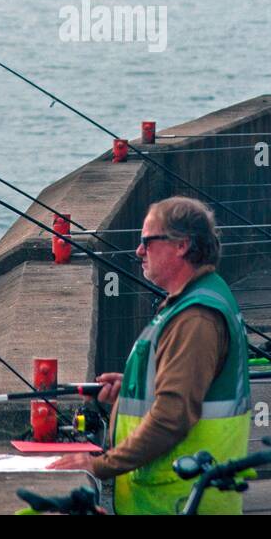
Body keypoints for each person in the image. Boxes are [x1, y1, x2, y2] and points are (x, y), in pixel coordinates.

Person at [47, 196, 251, 514]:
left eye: (147, 241)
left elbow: (172, 416)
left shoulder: (195, 318)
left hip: (179, 500)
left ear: (181, 245)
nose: (139, 251)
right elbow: (180, 391)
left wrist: (101, 464)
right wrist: (131, 387)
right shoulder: (197, 299)